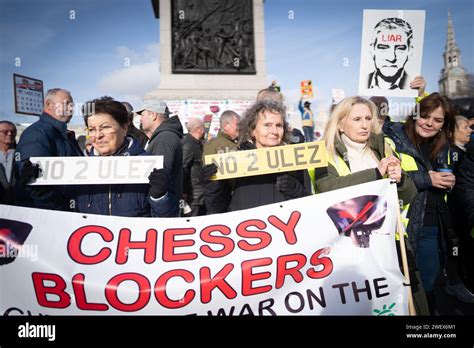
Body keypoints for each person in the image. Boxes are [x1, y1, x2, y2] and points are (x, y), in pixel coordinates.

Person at [313, 96, 426, 313]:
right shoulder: (325, 152)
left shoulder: (382, 148)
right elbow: (328, 187)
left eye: (367, 118)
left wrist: (400, 179)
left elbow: (408, 195)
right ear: (340, 123)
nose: (364, 124)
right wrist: (376, 174)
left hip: (391, 241)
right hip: (350, 247)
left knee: (404, 302)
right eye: (356, 119)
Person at [384, 92, 474, 312]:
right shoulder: (392, 139)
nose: (430, 123)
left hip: (435, 224)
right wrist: (427, 179)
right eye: (425, 116)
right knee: (407, 287)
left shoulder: (443, 145)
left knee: (429, 284)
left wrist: (450, 181)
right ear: (415, 115)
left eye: (438, 120)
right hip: (404, 224)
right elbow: (388, 178)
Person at [67, 96, 171, 217]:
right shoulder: (78, 170)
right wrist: (40, 186)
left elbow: (166, 221)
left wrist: (159, 197)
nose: (98, 135)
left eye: (105, 127)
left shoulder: (149, 166)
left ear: (124, 128)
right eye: (92, 129)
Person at [202, 100, 312, 213]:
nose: (274, 131)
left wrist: (295, 190)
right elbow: (217, 209)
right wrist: (213, 186)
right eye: (267, 125)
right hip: (247, 229)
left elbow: (310, 206)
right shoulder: (236, 161)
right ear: (253, 130)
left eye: (279, 125)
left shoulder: (295, 159)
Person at [15, 88, 83, 210]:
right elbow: (35, 184)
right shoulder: (37, 133)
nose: (71, 109)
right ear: (48, 105)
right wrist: (62, 211)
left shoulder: (64, 134)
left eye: (72, 105)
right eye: (66, 103)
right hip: (50, 216)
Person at [137, 99, 183, 217]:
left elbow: (160, 178)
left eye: (142, 115)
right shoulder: (162, 137)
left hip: (162, 210)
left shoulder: (165, 138)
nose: (140, 119)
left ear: (153, 115)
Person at [202, 110, 240, 214]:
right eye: (237, 124)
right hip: (221, 197)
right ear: (225, 125)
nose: (240, 127)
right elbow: (207, 170)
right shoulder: (213, 144)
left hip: (237, 195)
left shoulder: (239, 143)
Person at [368, 17, 413, 90]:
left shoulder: (412, 87)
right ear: (372, 50)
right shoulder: (364, 82)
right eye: (383, 48)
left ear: (410, 52)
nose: (391, 58)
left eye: (400, 48)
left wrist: (421, 94)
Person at [181, 117, 206, 216]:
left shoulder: (197, 143)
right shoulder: (189, 144)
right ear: (199, 129)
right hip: (192, 195)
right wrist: (184, 191)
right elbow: (184, 167)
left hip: (197, 193)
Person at [0, 121, 17, 204]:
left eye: (13, 132)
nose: (10, 134)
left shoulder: (23, 154)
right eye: (5, 132)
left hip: (20, 206)